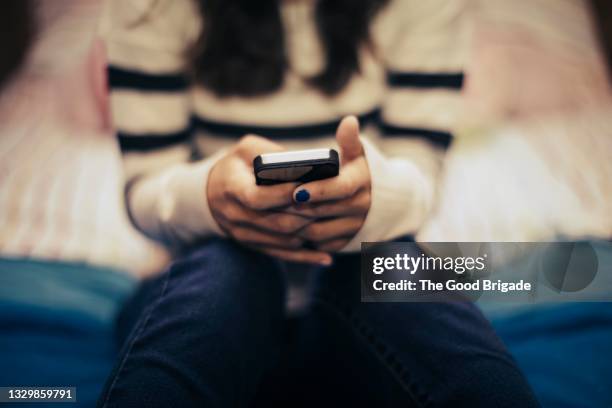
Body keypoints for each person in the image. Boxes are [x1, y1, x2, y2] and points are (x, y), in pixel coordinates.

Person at [97, 0, 540, 406]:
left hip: (363, 270)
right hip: (214, 284)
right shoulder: (149, 9)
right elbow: (145, 188)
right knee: (227, 267)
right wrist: (210, 196)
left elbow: (422, 171)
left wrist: (372, 200)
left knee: (392, 266)